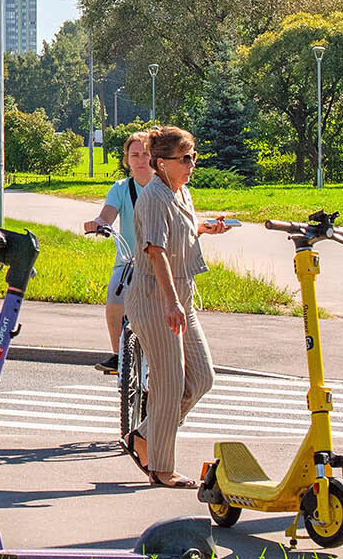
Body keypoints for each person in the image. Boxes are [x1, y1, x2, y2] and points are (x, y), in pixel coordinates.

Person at [124, 125, 234, 488]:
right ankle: (161, 467)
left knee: (202, 378)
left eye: (194, 156)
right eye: (185, 158)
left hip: (180, 297)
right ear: (162, 163)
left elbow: (178, 233)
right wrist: (172, 302)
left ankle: (144, 435)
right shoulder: (154, 197)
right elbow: (156, 252)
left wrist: (204, 228)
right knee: (170, 386)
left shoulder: (181, 192)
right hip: (156, 300)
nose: (192, 164)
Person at [83, 130, 153, 374]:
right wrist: (99, 223)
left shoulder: (164, 188)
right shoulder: (121, 188)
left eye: (146, 154)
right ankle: (118, 356)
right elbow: (107, 215)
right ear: (127, 159)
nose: (141, 160)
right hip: (129, 261)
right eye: (135, 155)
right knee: (115, 295)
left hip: (159, 261)